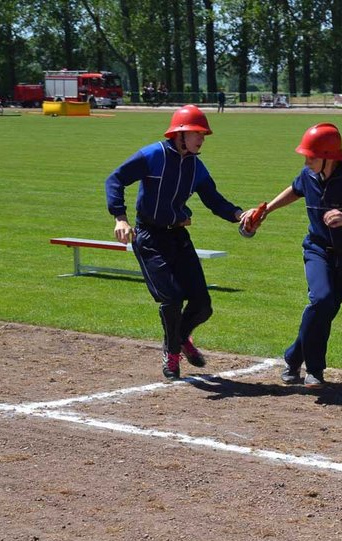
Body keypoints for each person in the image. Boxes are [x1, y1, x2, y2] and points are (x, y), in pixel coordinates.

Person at [105, 104, 258, 380]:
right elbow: (115, 179)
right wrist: (120, 218)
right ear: (180, 133)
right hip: (150, 237)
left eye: (204, 134)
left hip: (178, 236)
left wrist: (239, 215)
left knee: (202, 305)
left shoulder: (196, 167)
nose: (202, 138)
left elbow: (214, 200)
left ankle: (180, 336)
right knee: (172, 299)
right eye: (197, 132)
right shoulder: (153, 155)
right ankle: (172, 351)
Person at [241, 123, 342, 389]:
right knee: (321, 300)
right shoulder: (308, 175)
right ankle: (315, 371)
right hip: (317, 250)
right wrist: (266, 210)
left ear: (329, 156)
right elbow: (295, 189)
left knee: (325, 310)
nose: (306, 160)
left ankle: (293, 357)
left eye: (311, 155)